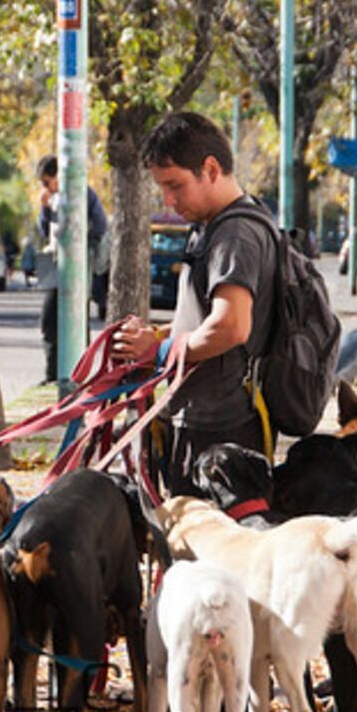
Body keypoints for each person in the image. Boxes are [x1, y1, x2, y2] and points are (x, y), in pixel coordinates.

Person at [111, 112, 275, 497]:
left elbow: (232, 326)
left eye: (175, 185)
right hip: (207, 420)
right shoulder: (217, 226)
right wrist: (159, 336)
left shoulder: (236, 234)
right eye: (162, 189)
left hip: (220, 430)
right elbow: (210, 319)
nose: (168, 201)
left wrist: (159, 350)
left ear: (211, 169)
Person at [32, 155, 110, 384]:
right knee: (49, 320)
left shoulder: (81, 193)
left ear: (59, 176)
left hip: (77, 265)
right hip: (55, 264)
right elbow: (44, 228)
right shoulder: (51, 199)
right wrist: (45, 209)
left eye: (48, 182)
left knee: (77, 321)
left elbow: (100, 224)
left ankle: (79, 375)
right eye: (43, 184)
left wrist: (79, 245)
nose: (46, 188)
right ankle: (51, 375)